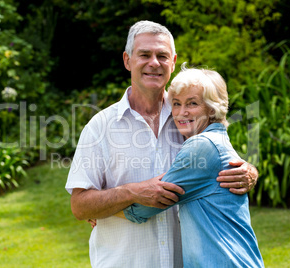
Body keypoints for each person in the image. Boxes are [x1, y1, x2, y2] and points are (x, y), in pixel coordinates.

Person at [65, 20, 258, 267]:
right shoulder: (99, 127)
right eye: (144, 54)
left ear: (173, 61)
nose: (154, 63)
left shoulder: (190, 120)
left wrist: (248, 171)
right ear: (127, 60)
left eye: (162, 56)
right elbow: (80, 206)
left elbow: (218, 157)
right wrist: (129, 192)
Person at [121, 67, 264, 267]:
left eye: (192, 103)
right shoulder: (215, 141)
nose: (181, 113)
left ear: (212, 109)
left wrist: (103, 211)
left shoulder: (201, 146)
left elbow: (146, 206)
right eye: (177, 104)